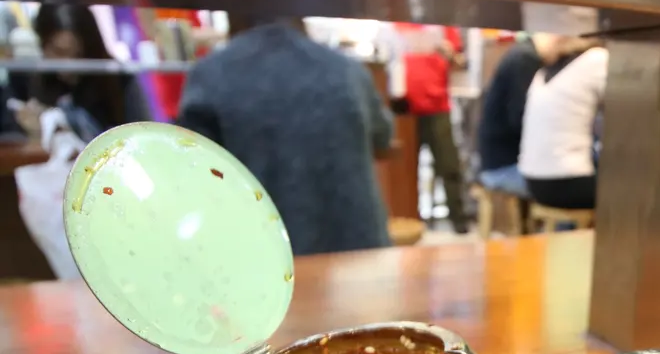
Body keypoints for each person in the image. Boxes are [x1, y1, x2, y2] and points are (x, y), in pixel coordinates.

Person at [177, 15, 393, 255]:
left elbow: (189, 170)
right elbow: (383, 137)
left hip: (268, 257)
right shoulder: (348, 70)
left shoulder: (211, 75)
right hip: (360, 253)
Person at [11, 4, 149, 141]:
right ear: (42, 43)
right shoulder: (36, 81)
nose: (68, 65)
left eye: (78, 54)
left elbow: (143, 136)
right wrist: (36, 133)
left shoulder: (119, 79)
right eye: (59, 52)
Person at [394, 23, 469, 233]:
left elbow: (461, 64)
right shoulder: (397, 24)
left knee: (449, 165)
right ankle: (408, 219)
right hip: (405, 110)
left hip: (438, 107)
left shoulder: (444, 27)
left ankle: (458, 219)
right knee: (405, 170)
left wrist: (449, 53)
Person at [519, 39, 608, 210]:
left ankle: (567, 225)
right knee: (631, 190)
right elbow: (624, 105)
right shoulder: (596, 59)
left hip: (533, 182)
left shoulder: (543, 72)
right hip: (569, 182)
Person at [477, 34, 555, 199]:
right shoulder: (525, 59)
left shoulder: (522, 54)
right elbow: (522, 118)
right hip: (505, 168)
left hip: (499, 164)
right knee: (578, 189)